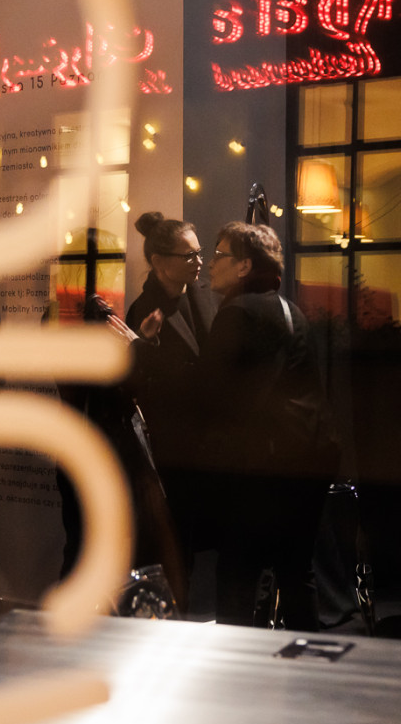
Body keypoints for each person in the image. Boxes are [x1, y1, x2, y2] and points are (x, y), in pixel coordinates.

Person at [198, 221, 335, 630]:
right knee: (296, 573)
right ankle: (305, 674)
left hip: (258, 471)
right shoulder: (289, 310)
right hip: (306, 462)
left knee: (238, 575)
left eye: (219, 254)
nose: (210, 263)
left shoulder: (236, 313)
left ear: (243, 266)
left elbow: (206, 394)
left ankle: (238, 678)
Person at [121, 211, 217, 606]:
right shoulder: (143, 311)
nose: (198, 262)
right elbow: (135, 386)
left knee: (196, 544)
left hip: (203, 445)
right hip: (169, 453)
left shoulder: (203, 296)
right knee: (172, 550)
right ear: (160, 262)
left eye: (199, 253)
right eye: (188, 256)